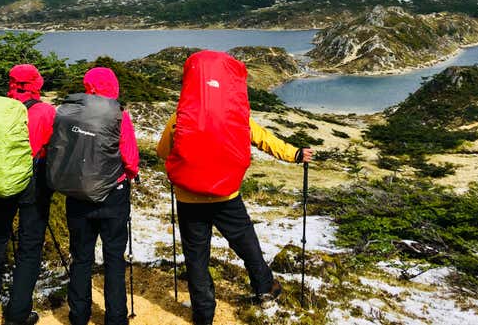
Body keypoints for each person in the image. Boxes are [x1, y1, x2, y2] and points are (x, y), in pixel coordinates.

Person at [156, 51, 313, 325]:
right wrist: (295, 154)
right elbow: (264, 139)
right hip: (226, 195)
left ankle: (203, 314)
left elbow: (161, 151)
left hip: (189, 199)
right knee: (246, 243)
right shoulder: (234, 113)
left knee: (196, 257)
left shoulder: (181, 115)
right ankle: (265, 287)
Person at [59, 67, 139, 325]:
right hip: (113, 194)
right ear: (113, 86)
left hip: (77, 194)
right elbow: (130, 159)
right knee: (114, 258)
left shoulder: (69, 113)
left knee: (81, 257)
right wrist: (129, 173)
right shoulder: (118, 116)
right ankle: (116, 318)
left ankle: (78, 315)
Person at [0, 64, 56, 325]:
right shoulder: (45, 111)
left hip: (0, 179)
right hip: (33, 183)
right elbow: (51, 146)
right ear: (36, 83)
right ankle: (18, 312)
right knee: (29, 246)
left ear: (11, 83)